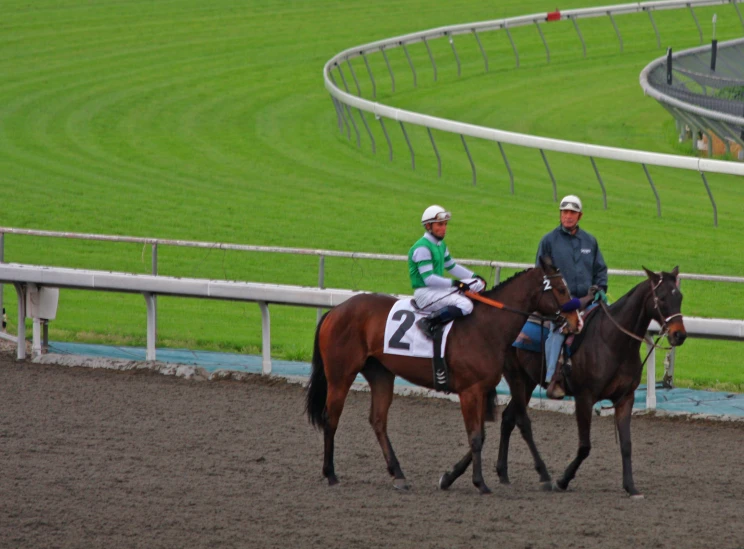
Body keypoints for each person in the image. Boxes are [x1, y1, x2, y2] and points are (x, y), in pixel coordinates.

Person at [536, 194, 608, 399]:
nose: (568, 216)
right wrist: (557, 302)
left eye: (572, 213)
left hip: (588, 301)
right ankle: (552, 379)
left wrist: (597, 288)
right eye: (564, 212)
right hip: (560, 305)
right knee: (559, 330)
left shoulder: (590, 241)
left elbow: (600, 270)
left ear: (580, 216)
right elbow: (540, 274)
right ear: (560, 214)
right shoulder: (548, 241)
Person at [409, 205, 486, 338]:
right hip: (425, 293)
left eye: (445, 224)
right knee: (466, 305)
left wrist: (475, 276)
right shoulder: (422, 248)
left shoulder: (440, 244)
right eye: (440, 225)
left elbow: (451, 266)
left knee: (478, 284)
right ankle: (428, 322)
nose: (444, 228)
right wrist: (456, 284)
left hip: (438, 289)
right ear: (428, 226)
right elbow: (429, 279)